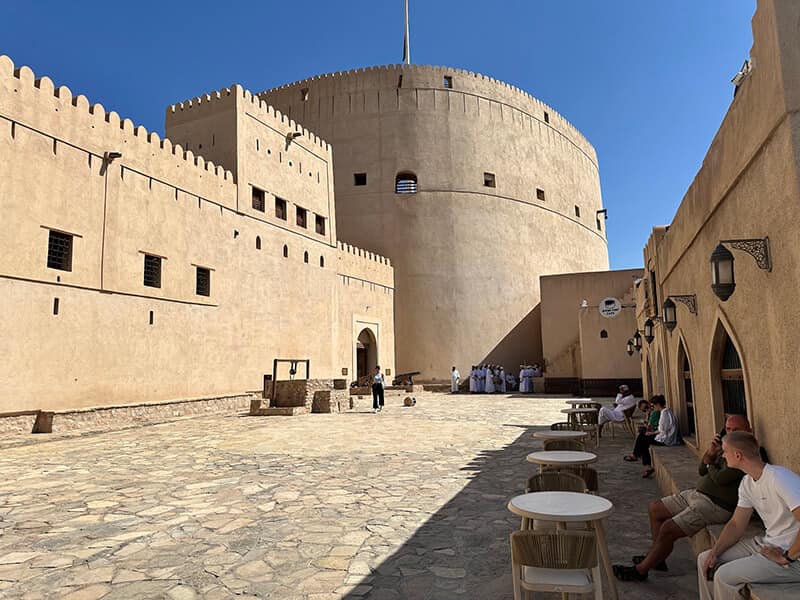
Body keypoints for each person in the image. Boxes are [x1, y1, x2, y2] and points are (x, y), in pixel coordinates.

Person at [614, 414, 756, 582]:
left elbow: (721, 478)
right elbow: (702, 469)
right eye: (728, 429)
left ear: (749, 431)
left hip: (715, 505)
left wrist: (711, 462)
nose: (731, 433)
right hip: (696, 494)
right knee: (655, 508)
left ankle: (641, 570)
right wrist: (710, 454)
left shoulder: (747, 453)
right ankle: (657, 558)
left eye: (736, 430)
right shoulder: (725, 447)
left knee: (668, 528)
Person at [697, 432, 800, 600]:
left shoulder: (779, 478)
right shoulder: (747, 483)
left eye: (724, 451)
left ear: (738, 455)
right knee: (705, 560)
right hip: (769, 544)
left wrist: (786, 557)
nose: (722, 455)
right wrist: (715, 552)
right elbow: (736, 524)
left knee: (724, 576)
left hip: (794, 556)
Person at [624, 396, 679, 478]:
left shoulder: (664, 414)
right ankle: (645, 464)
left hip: (665, 439)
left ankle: (640, 460)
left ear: (657, 404)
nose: (652, 408)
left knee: (642, 438)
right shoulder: (666, 412)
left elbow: (662, 430)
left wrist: (651, 433)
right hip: (665, 436)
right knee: (643, 439)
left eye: (653, 406)